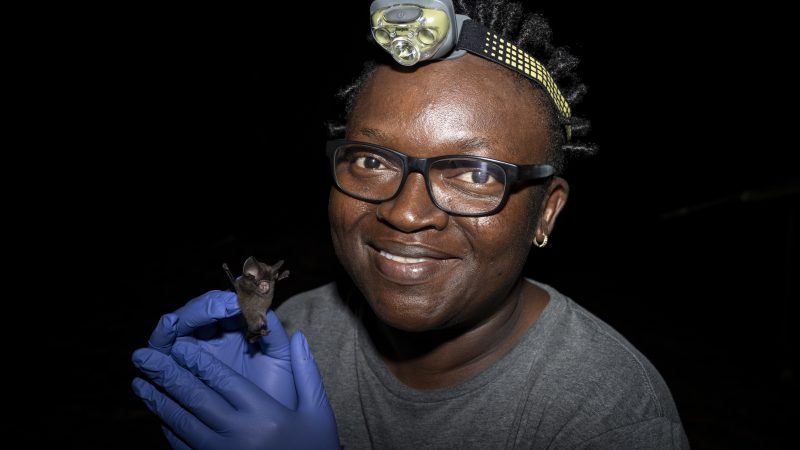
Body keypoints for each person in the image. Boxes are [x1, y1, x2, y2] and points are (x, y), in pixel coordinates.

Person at [131, 1, 690, 448]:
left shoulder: (608, 416)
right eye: (372, 161)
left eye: (473, 172)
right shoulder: (292, 331)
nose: (405, 212)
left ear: (546, 211)